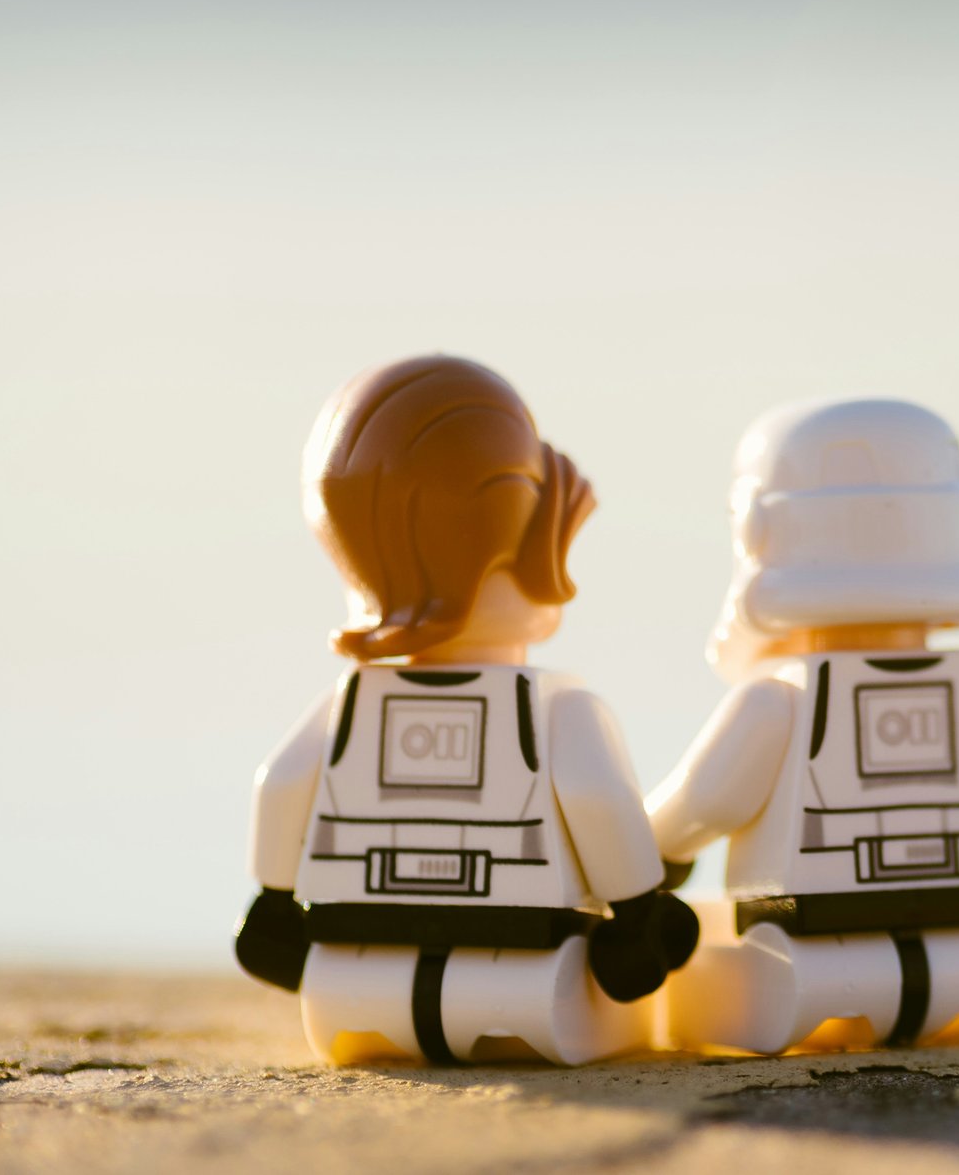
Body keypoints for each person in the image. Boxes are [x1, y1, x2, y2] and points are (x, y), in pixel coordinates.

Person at [234, 356, 696, 1065]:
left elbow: (282, 782)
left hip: (354, 973)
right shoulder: (559, 706)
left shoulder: (349, 703)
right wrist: (639, 914)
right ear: (532, 545)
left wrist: (273, 902)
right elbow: (595, 796)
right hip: (536, 977)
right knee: (636, 1008)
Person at [645, 398, 959, 1053]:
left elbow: (704, 800)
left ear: (758, 530)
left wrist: (648, 854)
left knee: (693, 976)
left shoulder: (779, 698)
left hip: (804, 967)